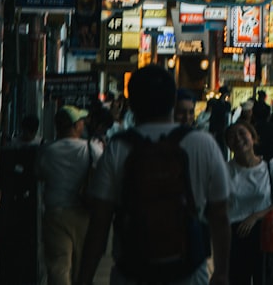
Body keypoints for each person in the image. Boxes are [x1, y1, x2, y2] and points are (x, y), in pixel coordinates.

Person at [76, 66, 231, 285]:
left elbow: (99, 222)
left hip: (131, 272)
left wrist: (84, 278)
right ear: (172, 102)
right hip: (188, 273)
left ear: (133, 104)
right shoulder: (203, 144)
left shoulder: (118, 147)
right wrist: (222, 271)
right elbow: (220, 215)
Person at [37, 105, 103, 285]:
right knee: (81, 265)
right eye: (81, 121)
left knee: (59, 264)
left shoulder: (48, 151)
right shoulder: (91, 149)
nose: (83, 124)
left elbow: (39, 174)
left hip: (55, 213)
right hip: (83, 213)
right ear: (76, 126)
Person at [225, 121, 273, 285]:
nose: (238, 138)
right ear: (228, 145)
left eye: (242, 133)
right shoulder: (224, 170)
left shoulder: (271, 166)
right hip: (235, 238)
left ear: (253, 137)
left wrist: (256, 216)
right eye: (232, 136)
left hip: (266, 234)